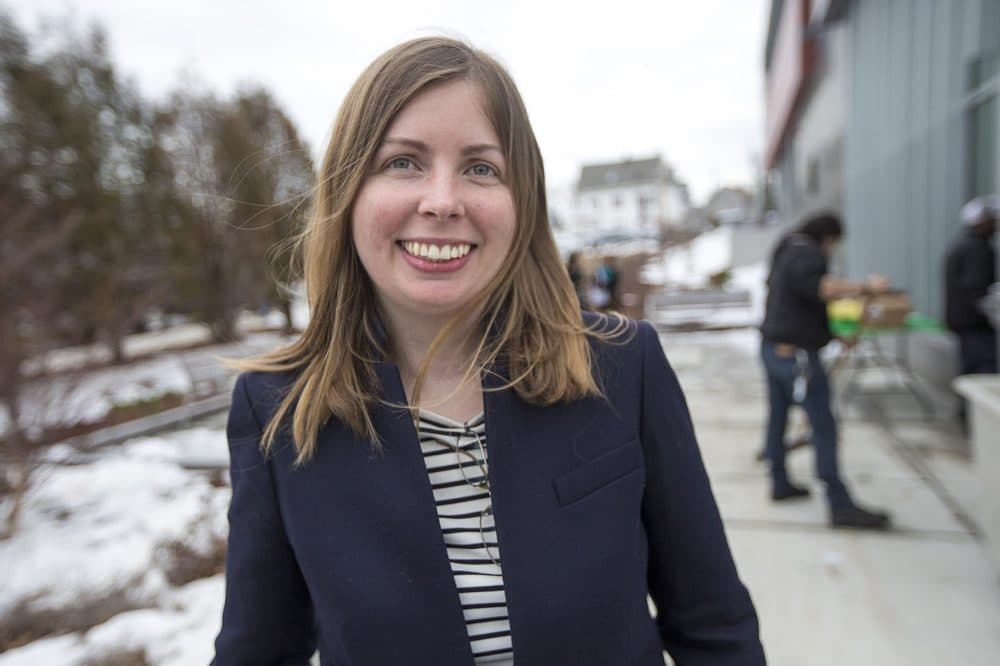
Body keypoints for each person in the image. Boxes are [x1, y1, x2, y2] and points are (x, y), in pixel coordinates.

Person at [213, 37, 764, 665]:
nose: (443, 201)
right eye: (403, 162)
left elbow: (715, 627)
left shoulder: (622, 366)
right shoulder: (279, 409)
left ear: (522, 201)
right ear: (347, 192)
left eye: (481, 168)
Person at [760, 213, 892, 530]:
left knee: (778, 415)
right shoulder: (805, 253)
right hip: (797, 357)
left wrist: (832, 335)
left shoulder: (786, 249)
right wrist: (866, 287)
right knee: (823, 424)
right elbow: (824, 287)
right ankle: (840, 503)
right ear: (828, 237)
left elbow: (796, 303)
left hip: (774, 348)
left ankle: (779, 481)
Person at [945, 195, 998, 377]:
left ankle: (964, 406)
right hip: (975, 326)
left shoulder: (964, 245)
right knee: (983, 373)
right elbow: (976, 289)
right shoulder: (977, 249)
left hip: (966, 324)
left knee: (970, 373)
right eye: (992, 218)